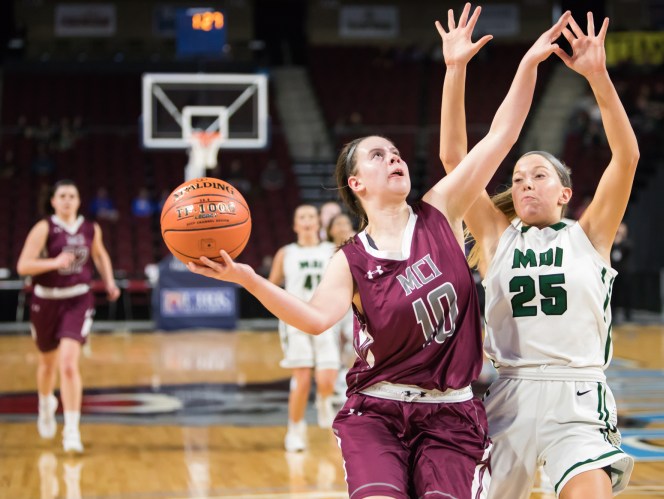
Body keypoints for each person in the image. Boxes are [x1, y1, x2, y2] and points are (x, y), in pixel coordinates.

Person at [187, 6, 572, 495]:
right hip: (377, 411)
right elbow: (312, 319)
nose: (393, 157)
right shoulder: (348, 259)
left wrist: (523, 65)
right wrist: (247, 277)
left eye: (395, 152)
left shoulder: (442, 211)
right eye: (377, 155)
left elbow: (501, 136)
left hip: (451, 412)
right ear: (356, 183)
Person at [440, 11, 637, 498]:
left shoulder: (590, 235)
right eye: (518, 179)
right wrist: (455, 70)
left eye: (538, 176)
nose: (525, 184)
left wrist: (598, 76)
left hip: (579, 395)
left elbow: (626, 156)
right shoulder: (495, 237)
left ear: (565, 193)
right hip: (511, 392)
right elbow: (454, 160)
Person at [16, 179, 120, 453]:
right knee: (47, 366)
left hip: (78, 299)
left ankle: (72, 430)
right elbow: (23, 265)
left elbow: (100, 256)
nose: (66, 200)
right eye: (61, 196)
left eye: (71, 196)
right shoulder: (44, 228)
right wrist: (54, 262)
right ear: (53, 201)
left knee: (69, 365)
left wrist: (109, 282)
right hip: (46, 300)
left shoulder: (89, 228)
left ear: (78, 200)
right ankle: (45, 402)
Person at [267, 204, 340, 452]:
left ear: (318, 223)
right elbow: (271, 286)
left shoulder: (331, 250)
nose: (307, 221)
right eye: (302, 217)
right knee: (302, 378)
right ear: (295, 225)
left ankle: (324, 400)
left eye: (311, 216)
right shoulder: (286, 253)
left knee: (327, 378)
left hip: (325, 318)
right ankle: (295, 430)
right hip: (295, 321)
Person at [325, 212, 357, 403]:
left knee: (354, 341)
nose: (343, 226)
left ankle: (348, 377)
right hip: (331, 303)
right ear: (330, 230)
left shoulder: (359, 245)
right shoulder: (324, 250)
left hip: (354, 301)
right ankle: (336, 382)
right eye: (338, 223)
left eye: (346, 222)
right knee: (333, 343)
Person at [611, 222, 633, 323]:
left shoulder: (627, 243)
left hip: (624, 272)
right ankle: (612, 313)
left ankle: (628, 314)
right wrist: (615, 242)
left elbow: (626, 251)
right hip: (613, 272)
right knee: (613, 294)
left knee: (626, 294)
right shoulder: (611, 242)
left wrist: (619, 242)